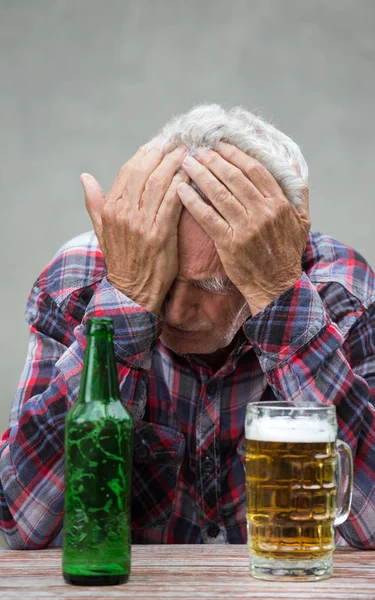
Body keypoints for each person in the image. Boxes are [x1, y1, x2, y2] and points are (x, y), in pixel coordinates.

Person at [0, 104, 374, 549]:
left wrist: (279, 295)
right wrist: (127, 299)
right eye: (162, 277)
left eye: (209, 284)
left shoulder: (340, 291)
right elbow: (22, 524)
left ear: (281, 244)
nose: (174, 312)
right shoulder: (77, 282)